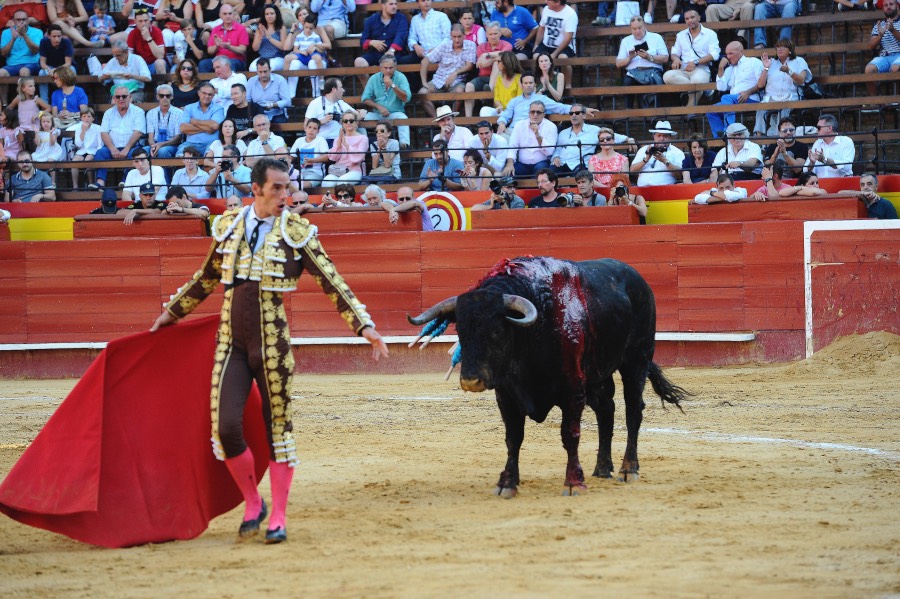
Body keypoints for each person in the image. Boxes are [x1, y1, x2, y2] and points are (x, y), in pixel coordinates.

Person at [151, 157, 387, 545]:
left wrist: (364, 325)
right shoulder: (227, 226)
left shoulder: (298, 231)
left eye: (288, 187)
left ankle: (278, 514)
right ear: (256, 189)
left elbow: (332, 280)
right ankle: (252, 502)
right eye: (277, 188)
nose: (286, 194)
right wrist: (170, 314)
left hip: (273, 344)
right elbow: (207, 277)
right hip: (232, 343)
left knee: (278, 429)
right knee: (225, 429)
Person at [495, 71, 590, 135]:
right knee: (499, 141)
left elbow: (560, 107)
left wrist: (583, 109)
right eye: (526, 83)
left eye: (530, 83)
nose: (528, 85)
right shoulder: (514, 101)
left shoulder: (542, 99)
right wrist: (502, 123)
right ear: (521, 85)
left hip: (531, 131)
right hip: (513, 131)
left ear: (535, 84)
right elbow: (506, 115)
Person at [91, 87, 147, 189]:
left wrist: (127, 148)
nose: (121, 99)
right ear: (114, 98)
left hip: (131, 147)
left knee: (135, 154)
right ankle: (100, 182)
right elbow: (104, 133)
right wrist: (112, 148)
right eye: (118, 97)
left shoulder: (138, 112)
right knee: (100, 153)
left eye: (124, 96)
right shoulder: (108, 113)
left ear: (130, 97)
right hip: (112, 148)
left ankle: (125, 181)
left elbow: (138, 132)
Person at [663, 9, 719, 108]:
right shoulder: (681, 35)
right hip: (684, 69)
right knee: (667, 76)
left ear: (699, 18)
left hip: (702, 69)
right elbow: (675, 53)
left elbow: (715, 54)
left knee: (696, 81)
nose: (690, 20)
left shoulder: (710, 34)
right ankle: (704, 89)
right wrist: (676, 59)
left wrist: (696, 62)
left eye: (692, 17)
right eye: (687, 18)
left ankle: (689, 108)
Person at [754, 39, 810, 136]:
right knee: (760, 108)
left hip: (790, 96)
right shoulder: (770, 62)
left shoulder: (799, 61)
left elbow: (801, 80)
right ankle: (759, 138)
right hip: (770, 97)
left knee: (783, 107)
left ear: (790, 50)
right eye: (778, 47)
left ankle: (781, 137)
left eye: (783, 47)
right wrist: (766, 68)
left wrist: (789, 71)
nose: (780, 49)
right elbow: (760, 85)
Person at [419, 24, 476, 119]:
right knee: (422, 94)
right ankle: (438, 120)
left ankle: (451, 120)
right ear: (450, 36)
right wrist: (424, 82)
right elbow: (425, 61)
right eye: (454, 37)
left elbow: (469, 66)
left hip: (458, 81)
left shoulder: (470, 45)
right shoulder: (444, 45)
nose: (457, 40)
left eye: (459, 37)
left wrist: (455, 73)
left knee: (460, 91)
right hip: (438, 80)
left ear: (464, 36)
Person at [708, 41, 763, 139]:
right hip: (733, 101)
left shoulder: (753, 62)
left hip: (751, 99)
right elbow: (721, 87)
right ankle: (721, 138)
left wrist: (748, 92)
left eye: (731, 53)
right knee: (711, 110)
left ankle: (729, 130)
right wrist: (721, 68)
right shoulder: (729, 69)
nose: (728, 57)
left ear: (740, 52)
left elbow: (762, 83)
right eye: (726, 54)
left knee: (726, 98)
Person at [361, 55, 411, 149]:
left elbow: (406, 98)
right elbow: (365, 98)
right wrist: (378, 107)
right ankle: (364, 145)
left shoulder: (401, 77)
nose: (388, 70)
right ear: (380, 68)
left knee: (403, 118)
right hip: (377, 114)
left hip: (395, 113)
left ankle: (404, 145)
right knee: (359, 121)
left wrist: (393, 85)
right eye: (385, 68)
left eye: (391, 68)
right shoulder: (374, 78)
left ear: (395, 67)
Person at [464, 22, 512, 117]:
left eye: (495, 34)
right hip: (483, 77)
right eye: (490, 34)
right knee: (469, 86)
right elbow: (482, 65)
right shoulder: (481, 47)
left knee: (497, 63)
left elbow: (505, 55)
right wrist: (496, 56)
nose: (493, 36)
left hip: (501, 78)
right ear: (486, 35)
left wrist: (487, 55)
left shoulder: (507, 44)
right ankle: (468, 119)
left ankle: (489, 90)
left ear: (500, 33)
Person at [616, 15, 668, 99]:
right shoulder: (626, 41)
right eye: (634, 29)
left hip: (653, 71)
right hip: (633, 72)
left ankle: (658, 109)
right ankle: (628, 110)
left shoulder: (656, 37)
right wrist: (630, 58)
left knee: (658, 81)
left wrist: (649, 57)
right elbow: (618, 64)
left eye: (640, 28)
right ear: (631, 29)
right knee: (627, 82)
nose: (637, 31)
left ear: (645, 26)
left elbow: (665, 58)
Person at [303, 78, 363, 145]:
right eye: (341, 87)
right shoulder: (316, 103)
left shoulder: (340, 103)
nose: (343, 90)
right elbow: (306, 125)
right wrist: (322, 121)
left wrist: (343, 119)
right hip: (321, 140)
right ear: (334, 89)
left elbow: (357, 116)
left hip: (338, 140)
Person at [504, 100, 556, 177]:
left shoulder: (551, 127)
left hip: (541, 163)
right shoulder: (519, 125)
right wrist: (510, 164)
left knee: (541, 172)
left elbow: (549, 151)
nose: (535, 115)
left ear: (543, 114)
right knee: (509, 174)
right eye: (532, 112)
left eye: (538, 112)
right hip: (522, 164)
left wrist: (537, 134)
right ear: (529, 113)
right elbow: (513, 146)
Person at [355, 0, 407, 71]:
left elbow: (400, 36)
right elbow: (363, 40)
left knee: (388, 62)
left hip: (394, 53)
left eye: (395, 4)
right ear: (383, 5)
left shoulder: (401, 18)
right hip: (375, 53)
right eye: (391, 4)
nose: (394, 6)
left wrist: (391, 50)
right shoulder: (371, 20)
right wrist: (371, 42)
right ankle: (368, 82)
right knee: (359, 62)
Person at [285, 14, 329, 96]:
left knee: (317, 58)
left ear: (314, 28)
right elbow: (295, 49)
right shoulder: (299, 36)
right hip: (302, 55)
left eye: (310, 28)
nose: (308, 30)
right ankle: (285, 81)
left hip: (312, 54)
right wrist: (302, 52)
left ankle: (321, 80)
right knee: (287, 58)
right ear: (303, 26)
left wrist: (315, 47)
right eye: (306, 27)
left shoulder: (316, 36)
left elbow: (321, 49)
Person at [864, 0, 900, 100]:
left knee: (895, 68)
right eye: (886, 5)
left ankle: (896, 100)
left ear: (897, 6)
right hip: (885, 57)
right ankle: (876, 102)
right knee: (869, 70)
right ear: (883, 9)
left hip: (899, 55)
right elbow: (871, 46)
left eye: (891, 4)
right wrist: (880, 35)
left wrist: (893, 30)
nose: (888, 7)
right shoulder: (879, 25)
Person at [630, 120, 685, 186]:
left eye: (665, 136)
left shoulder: (677, 152)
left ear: (670, 137)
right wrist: (646, 160)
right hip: (642, 190)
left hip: (665, 191)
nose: (661, 138)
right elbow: (632, 171)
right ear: (654, 136)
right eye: (659, 135)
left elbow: (679, 176)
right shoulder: (644, 149)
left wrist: (665, 161)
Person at [178, 82, 226, 157]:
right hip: (190, 143)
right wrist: (207, 129)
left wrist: (194, 121)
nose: (207, 96)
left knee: (211, 157)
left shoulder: (218, 109)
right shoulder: (189, 108)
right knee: (181, 157)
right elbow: (183, 128)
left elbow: (214, 126)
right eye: (204, 93)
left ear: (213, 96)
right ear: (199, 93)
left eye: (210, 94)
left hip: (211, 143)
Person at [401, 0, 451, 69]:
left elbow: (448, 38)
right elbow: (411, 38)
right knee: (401, 62)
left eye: (428, 0)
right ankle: (416, 80)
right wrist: (415, 46)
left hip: (440, 52)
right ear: (418, 3)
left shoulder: (441, 16)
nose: (426, 2)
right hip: (422, 54)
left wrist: (436, 49)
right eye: (423, 1)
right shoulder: (415, 19)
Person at [322, 111, 367, 187]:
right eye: (345, 121)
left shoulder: (363, 138)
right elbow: (333, 158)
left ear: (356, 123)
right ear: (342, 124)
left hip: (354, 170)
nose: (348, 123)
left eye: (351, 121)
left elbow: (359, 156)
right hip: (339, 169)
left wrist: (346, 145)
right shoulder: (338, 138)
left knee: (341, 182)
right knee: (326, 183)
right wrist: (339, 142)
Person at [552, 103, 600, 175]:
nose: (574, 115)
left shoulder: (594, 130)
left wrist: (623, 138)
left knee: (580, 175)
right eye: (571, 113)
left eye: (577, 113)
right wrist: (555, 157)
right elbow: (557, 150)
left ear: (584, 115)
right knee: (548, 174)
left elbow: (612, 136)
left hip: (580, 165)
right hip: (562, 164)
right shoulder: (563, 133)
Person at [200, 4, 249, 73]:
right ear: (220, 15)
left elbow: (243, 50)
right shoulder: (215, 29)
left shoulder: (241, 28)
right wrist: (217, 46)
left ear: (233, 15)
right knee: (203, 64)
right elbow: (210, 51)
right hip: (219, 59)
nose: (228, 16)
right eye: (225, 14)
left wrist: (229, 47)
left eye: (230, 13)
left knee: (228, 64)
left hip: (235, 59)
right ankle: (206, 84)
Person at [804, 114, 854, 178]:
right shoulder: (817, 143)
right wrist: (811, 163)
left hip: (841, 183)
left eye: (819, 128)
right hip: (819, 185)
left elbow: (847, 167)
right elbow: (805, 171)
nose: (816, 130)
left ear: (829, 128)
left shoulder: (846, 141)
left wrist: (824, 160)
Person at [0, 10, 43, 82]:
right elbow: (4, 54)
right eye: (18, 20)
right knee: (1, 73)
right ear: (13, 21)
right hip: (12, 64)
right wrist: (13, 39)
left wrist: (24, 35)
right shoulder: (6, 32)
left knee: (24, 71)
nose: (21, 22)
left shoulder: (37, 32)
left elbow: (35, 51)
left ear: (28, 21)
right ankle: (3, 94)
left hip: (32, 63)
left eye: (24, 19)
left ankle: (27, 93)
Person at [146, 84, 184, 160]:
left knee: (162, 151)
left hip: (172, 144)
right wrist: (154, 146)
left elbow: (178, 138)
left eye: (168, 96)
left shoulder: (179, 113)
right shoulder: (151, 113)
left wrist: (161, 145)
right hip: (155, 143)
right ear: (157, 97)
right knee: (142, 151)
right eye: (161, 96)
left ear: (172, 97)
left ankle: (166, 172)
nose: (165, 98)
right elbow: (150, 137)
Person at [38, 25, 75, 102]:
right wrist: (49, 69)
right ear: (49, 36)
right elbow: (42, 63)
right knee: (41, 73)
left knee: (72, 70)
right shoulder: (43, 42)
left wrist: (55, 70)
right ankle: (44, 101)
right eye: (54, 36)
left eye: (59, 36)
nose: (57, 39)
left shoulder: (66, 42)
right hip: (49, 67)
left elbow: (68, 63)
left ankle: (72, 98)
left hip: (63, 67)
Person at [289, 117, 329, 189]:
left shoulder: (321, 140)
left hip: (316, 173)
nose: (311, 130)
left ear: (318, 131)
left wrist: (312, 160)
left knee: (300, 186)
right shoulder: (299, 140)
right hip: (300, 172)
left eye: (314, 128)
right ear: (305, 128)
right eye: (309, 127)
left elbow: (326, 157)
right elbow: (291, 157)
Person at [480, 51, 522, 118]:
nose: (497, 64)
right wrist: (500, 106)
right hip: (502, 110)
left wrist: (508, 109)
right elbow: (496, 98)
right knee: (484, 110)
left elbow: (519, 99)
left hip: (514, 111)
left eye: (499, 61)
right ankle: (489, 128)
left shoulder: (519, 78)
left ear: (506, 62)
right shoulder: (498, 78)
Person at [70, 107, 102, 189]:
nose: (86, 119)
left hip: (93, 150)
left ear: (93, 118)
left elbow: (100, 144)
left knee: (88, 159)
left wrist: (97, 153)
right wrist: (83, 131)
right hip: (82, 150)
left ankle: (91, 183)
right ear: (81, 118)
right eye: (84, 116)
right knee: (74, 161)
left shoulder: (98, 128)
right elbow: (78, 144)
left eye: (88, 116)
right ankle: (75, 186)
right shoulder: (79, 128)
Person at [128, 8, 166, 75]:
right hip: (140, 66)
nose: (144, 23)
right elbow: (129, 56)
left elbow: (160, 56)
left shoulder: (157, 31)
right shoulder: (132, 33)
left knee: (160, 62)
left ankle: (160, 85)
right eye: (140, 21)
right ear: (135, 22)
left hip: (153, 65)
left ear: (150, 20)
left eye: (146, 20)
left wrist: (148, 38)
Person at [250, 3, 287, 71]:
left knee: (270, 67)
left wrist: (269, 37)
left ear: (276, 14)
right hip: (262, 58)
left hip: (277, 57)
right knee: (252, 68)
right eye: (267, 14)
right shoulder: (260, 28)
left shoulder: (281, 27)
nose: (269, 16)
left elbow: (283, 46)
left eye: (272, 13)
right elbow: (255, 48)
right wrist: (260, 37)